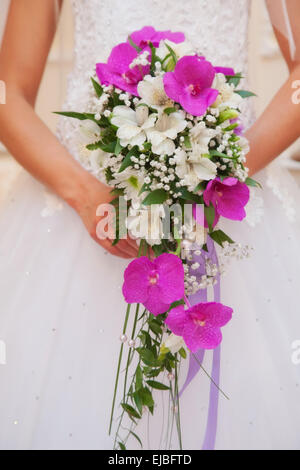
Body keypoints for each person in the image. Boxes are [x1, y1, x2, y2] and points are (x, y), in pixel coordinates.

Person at [0, 0, 299, 450]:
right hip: (84, 214)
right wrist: (83, 194)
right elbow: (7, 91)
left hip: (229, 205)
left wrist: (221, 171)